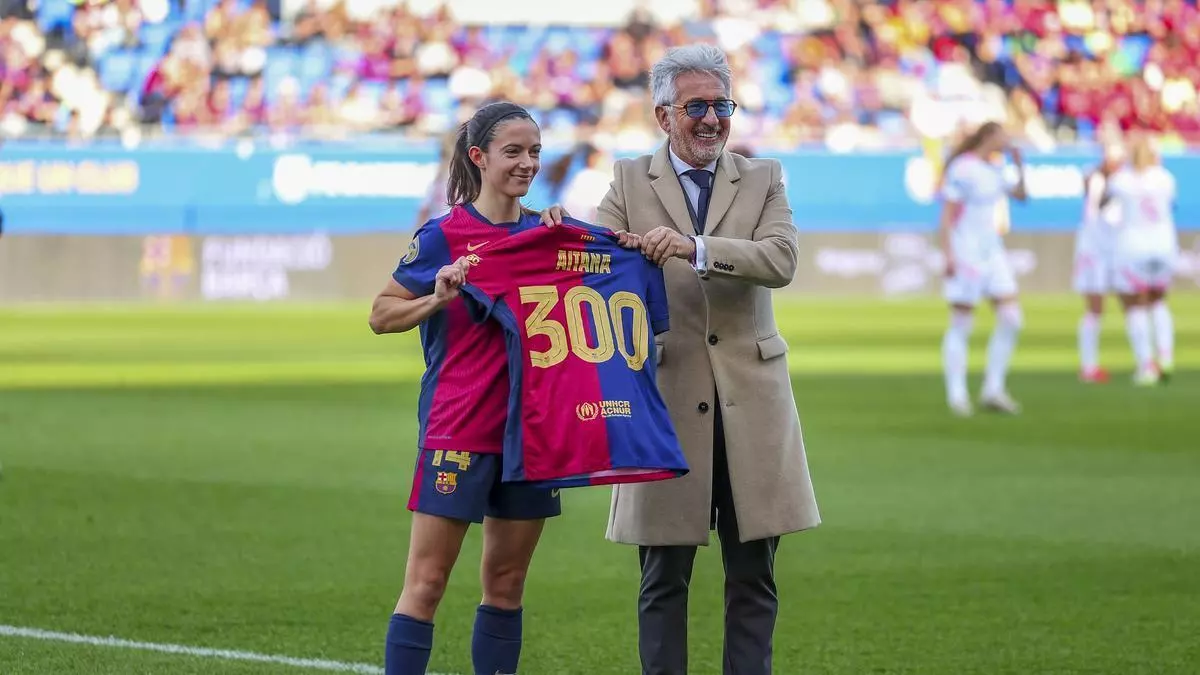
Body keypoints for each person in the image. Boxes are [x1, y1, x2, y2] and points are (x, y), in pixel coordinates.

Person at [545, 43, 821, 675]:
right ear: (663, 115)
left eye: (722, 105)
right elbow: (596, 260)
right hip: (665, 404)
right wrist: (560, 232)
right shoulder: (627, 179)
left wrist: (695, 248)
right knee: (662, 578)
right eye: (696, 106)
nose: (711, 119)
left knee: (754, 576)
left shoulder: (764, 176)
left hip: (753, 405)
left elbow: (780, 260)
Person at [368, 101, 561, 675]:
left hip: (531, 434)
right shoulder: (443, 236)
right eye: (513, 152)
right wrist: (436, 299)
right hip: (459, 427)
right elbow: (381, 314)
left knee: (507, 582)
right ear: (478, 157)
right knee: (427, 582)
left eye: (534, 152)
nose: (527, 164)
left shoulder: (548, 236)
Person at [937, 120, 1028, 417]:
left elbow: (1021, 196)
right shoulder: (963, 168)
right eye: (1003, 134)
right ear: (989, 136)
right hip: (967, 249)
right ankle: (957, 394)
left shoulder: (995, 168)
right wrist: (949, 253)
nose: (1008, 140)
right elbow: (948, 214)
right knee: (962, 321)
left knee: (1012, 318)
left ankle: (993, 388)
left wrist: (1020, 166)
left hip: (992, 250)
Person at [1101, 133, 1178, 385]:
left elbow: (1104, 202)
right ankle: (1165, 356)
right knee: (1158, 300)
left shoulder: (1122, 180)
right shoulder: (1165, 178)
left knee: (1134, 305)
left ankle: (1146, 366)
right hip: (1164, 245)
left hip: (1133, 246)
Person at [1073, 142, 1125, 384]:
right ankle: (1088, 365)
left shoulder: (1122, 182)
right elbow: (1095, 205)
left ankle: (1146, 360)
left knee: (1133, 303)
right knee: (1095, 308)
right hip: (1093, 252)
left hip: (1114, 250)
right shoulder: (1096, 178)